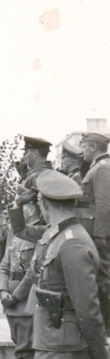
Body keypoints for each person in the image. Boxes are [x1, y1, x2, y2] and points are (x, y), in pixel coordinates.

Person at [13, 170, 110, 359]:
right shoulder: (58, 237)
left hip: (63, 347)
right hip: (55, 343)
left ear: (44, 204)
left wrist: (101, 357)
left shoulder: (71, 244)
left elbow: (88, 310)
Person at [0, 192, 42, 359]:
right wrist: (3, 292)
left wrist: (15, 295)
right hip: (11, 304)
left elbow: (34, 271)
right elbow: (4, 265)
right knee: (23, 356)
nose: (14, 212)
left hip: (25, 303)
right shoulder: (16, 233)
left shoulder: (37, 233)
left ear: (31, 209)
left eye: (19, 207)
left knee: (28, 357)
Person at [75, 132, 110, 334]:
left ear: (94, 147)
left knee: (104, 279)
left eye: (84, 146)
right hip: (94, 232)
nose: (82, 151)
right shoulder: (97, 168)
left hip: (99, 234)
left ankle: (106, 328)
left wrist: (100, 236)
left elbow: (104, 205)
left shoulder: (102, 169)